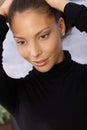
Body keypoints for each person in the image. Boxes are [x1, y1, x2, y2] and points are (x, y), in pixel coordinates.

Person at [0, 0, 87, 129]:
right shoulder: (16, 95)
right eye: (22, 42)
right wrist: (1, 13)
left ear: (61, 27)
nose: (35, 52)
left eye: (43, 36)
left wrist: (64, 5)